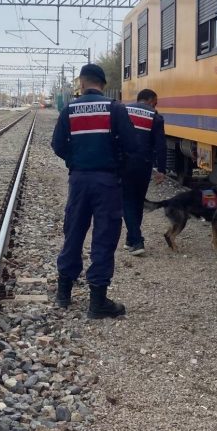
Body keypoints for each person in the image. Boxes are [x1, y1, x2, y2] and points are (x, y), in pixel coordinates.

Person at [51, 62, 138, 319]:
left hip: (78, 181)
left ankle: (63, 293)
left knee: (74, 232)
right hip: (107, 182)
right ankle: (97, 302)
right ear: (103, 84)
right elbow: (132, 145)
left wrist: (75, 160)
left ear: (81, 82)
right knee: (104, 236)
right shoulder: (115, 108)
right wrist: (119, 163)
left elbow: (57, 145)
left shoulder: (69, 110)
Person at [121, 88, 167, 253]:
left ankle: (136, 241)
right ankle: (131, 238)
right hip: (143, 165)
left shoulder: (123, 110)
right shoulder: (155, 117)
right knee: (138, 201)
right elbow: (161, 146)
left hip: (124, 162)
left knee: (127, 200)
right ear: (149, 100)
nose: (155, 107)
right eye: (155, 103)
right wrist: (161, 170)